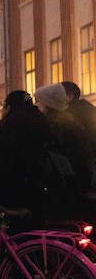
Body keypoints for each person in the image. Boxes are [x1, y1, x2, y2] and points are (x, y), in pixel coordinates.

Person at [0, 90, 53, 272]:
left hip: (8, 195)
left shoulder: (7, 130)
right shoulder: (43, 125)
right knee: (26, 240)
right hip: (35, 194)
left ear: (9, 108)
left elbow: (0, 169)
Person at [33, 83, 95, 220]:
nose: (36, 105)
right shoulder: (71, 125)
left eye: (39, 102)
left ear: (48, 105)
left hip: (62, 192)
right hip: (78, 188)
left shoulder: (52, 128)